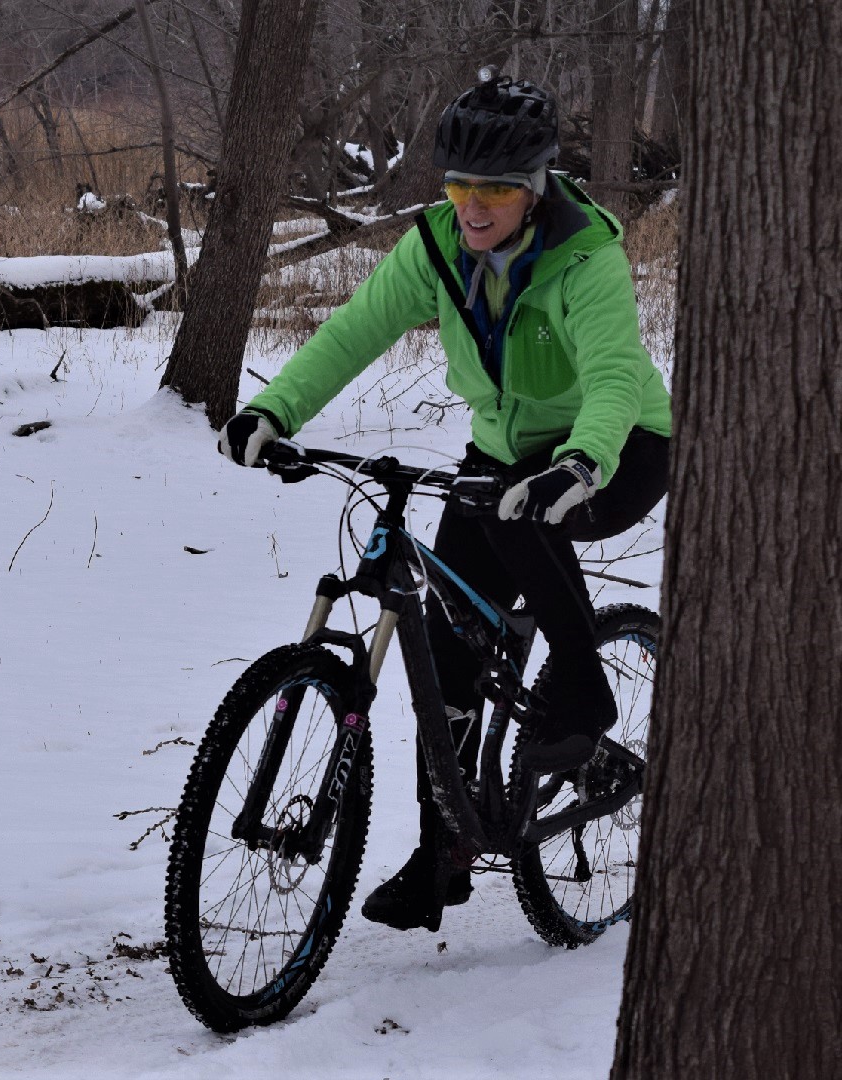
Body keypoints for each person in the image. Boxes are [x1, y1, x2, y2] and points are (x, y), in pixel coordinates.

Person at [217, 67, 671, 931]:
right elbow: (356, 329)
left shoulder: (587, 259)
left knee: (528, 523)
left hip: (615, 452)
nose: (472, 204)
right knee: (449, 663)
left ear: (534, 187)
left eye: (494, 187)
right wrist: (276, 408)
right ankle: (443, 855)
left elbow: (614, 377)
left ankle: (583, 691)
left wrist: (578, 462)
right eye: (459, 184)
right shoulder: (432, 247)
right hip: (500, 456)